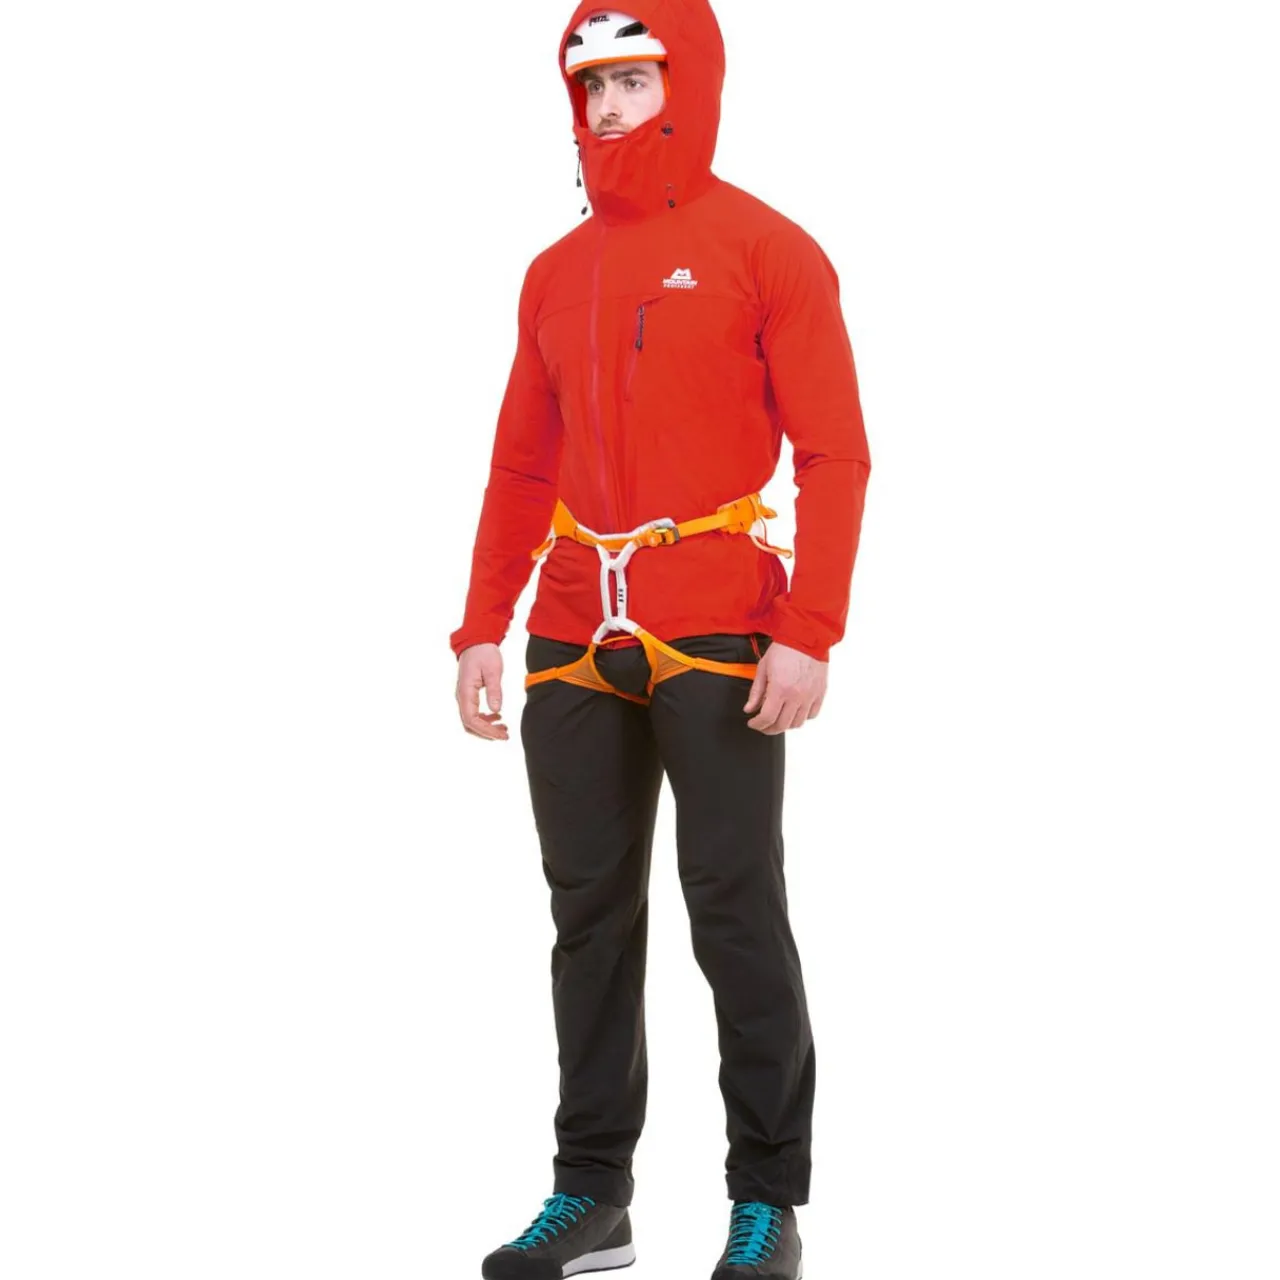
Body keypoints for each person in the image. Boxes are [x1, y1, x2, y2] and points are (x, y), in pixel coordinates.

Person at [451, 4, 870, 1277]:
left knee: (733, 905)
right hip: (573, 628)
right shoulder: (551, 271)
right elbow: (521, 463)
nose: (608, 107)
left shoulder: (767, 249)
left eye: (633, 79)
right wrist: (481, 624)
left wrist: (808, 628)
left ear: (687, 82)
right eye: (591, 84)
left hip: (718, 625)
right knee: (587, 914)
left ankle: (766, 1200)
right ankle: (592, 1194)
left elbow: (835, 453)